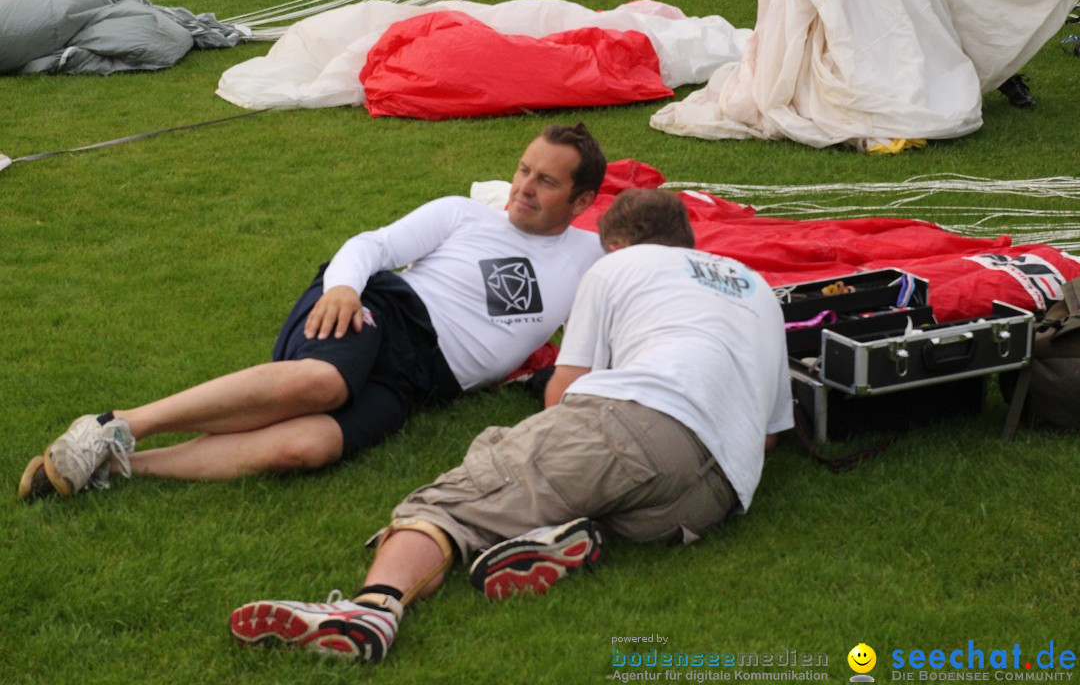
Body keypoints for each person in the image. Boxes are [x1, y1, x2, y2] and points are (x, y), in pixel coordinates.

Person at [227, 188, 794, 663]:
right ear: (688, 240)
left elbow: (565, 390)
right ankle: (559, 537)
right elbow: (770, 434)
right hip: (712, 496)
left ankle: (372, 609)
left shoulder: (616, 266)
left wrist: (538, 448)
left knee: (456, 498)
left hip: (637, 425)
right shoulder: (759, 290)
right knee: (591, 481)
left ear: (615, 243)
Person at [18, 122, 607, 501]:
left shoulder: (591, 258)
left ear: (581, 201)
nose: (524, 186)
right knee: (321, 381)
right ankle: (116, 424)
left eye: (546, 181)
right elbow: (370, 246)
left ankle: (119, 468)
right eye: (523, 169)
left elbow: (657, 272)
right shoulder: (464, 214)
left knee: (305, 449)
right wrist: (344, 288)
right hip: (383, 309)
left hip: (425, 380)